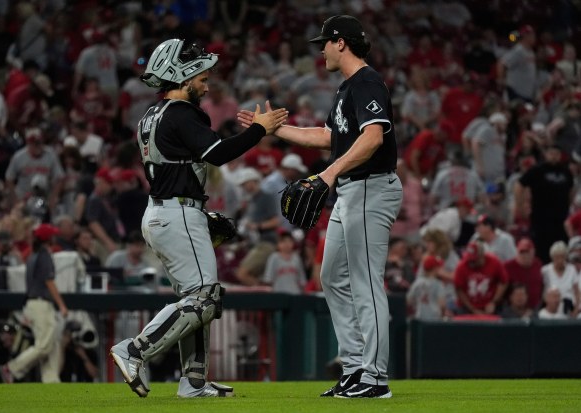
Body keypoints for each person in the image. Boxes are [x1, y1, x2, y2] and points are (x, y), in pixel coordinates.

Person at [109, 38, 287, 399]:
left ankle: (193, 382)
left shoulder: (151, 115)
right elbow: (218, 153)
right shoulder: (181, 113)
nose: (206, 85)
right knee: (205, 298)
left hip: (165, 211)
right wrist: (260, 129)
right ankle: (135, 350)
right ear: (182, 75)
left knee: (195, 298)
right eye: (201, 77)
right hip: (176, 212)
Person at [238, 14, 402, 399]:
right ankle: (354, 365)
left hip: (370, 188)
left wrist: (328, 175)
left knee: (364, 281)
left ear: (341, 42)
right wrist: (273, 130)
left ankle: (375, 377)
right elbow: (328, 136)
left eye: (325, 43)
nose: (322, 50)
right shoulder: (347, 88)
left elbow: (374, 138)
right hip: (351, 190)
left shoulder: (367, 82)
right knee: (331, 277)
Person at [0, 223, 68, 383]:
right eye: (52, 235)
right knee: (44, 345)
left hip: (34, 304)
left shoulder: (33, 255)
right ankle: (12, 368)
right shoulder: (43, 255)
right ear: (47, 238)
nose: (54, 237)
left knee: (52, 345)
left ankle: (51, 381)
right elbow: (49, 281)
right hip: (41, 304)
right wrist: (62, 305)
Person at [454, 240, 509, 315]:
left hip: (490, 305)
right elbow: (459, 289)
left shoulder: (494, 262)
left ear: (482, 256)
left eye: (474, 260)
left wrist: (494, 302)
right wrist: (473, 309)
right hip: (467, 306)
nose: (471, 263)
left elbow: (504, 282)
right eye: (469, 259)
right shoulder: (462, 265)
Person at [503, 237, 544, 310]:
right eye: (521, 252)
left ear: (533, 252)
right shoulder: (507, 266)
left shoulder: (538, 264)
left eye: (527, 252)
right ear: (517, 252)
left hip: (535, 309)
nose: (524, 255)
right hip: (513, 310)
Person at [406, 255, 446, 320]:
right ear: (435, 268)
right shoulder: (438, 284)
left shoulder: (417, 282)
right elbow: (442, 305)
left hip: (419, 318)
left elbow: (408, 301)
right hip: (434, 319)